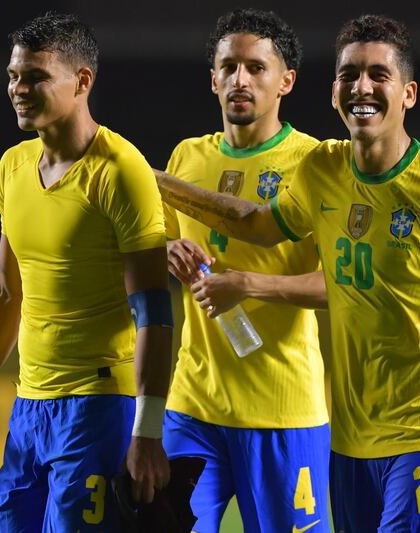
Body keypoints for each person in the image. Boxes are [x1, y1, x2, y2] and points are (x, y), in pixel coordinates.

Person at [154, 14, 420, 532]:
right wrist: (154, 185)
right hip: (348, 439)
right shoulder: (323, 172)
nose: (362, 88)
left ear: (409, 94)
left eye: (378, 75)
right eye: (349, 75)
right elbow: (255, 224)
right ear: (333, 93)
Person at [0, 12, 172, 532]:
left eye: (35, 76)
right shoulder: (12, 167)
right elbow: (6, 293)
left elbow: (153, 310)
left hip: (99, 406)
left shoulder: (120, 171)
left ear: (83, 81)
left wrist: (147, 433)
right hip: (29, 407)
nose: (18, 88)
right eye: (14, 76)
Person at [161, 9, 331, 533]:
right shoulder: (186, 158)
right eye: (228, 66)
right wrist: (166, 251)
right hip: (193, 406)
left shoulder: (317, 164)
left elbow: (340, 283)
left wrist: (249, 284)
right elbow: (155, 246)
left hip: (282, 413)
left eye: (256, 68)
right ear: (213, 79)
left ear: (286, 81)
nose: (240, 79)